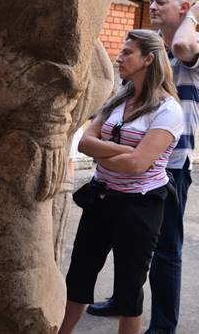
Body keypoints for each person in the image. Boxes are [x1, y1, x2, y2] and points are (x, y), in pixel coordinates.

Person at [88, 0, 199, 334]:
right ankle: (122, 299)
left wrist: (197, 18)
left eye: (162, 2)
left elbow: (183, 43)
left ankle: (162, 325)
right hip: (127, 161)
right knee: (125, 240)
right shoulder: (151, 48)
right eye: (152, 1)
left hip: (169, 169)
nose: (154, 6)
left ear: (185, 9)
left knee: (165, 249)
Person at [59, 29, 183, 334]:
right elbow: (85, 142)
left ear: (148, 59)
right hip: (101, 198)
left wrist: (118, 154)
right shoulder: (119, 97)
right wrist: (125, 150)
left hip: (139, 208)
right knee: (78, 279)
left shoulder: (169, 110)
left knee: (129, 290)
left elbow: (139, 164)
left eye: (128, 52)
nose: (119, 57)